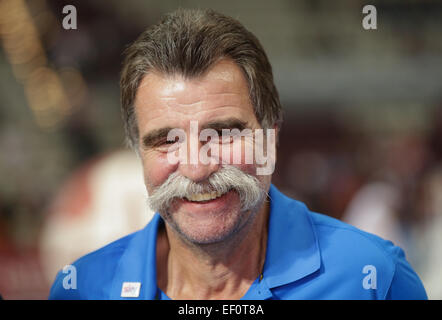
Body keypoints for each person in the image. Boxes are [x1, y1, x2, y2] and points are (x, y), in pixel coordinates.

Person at [49, 8, 427, 300]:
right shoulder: (83, 288)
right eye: (166, 140)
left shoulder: (373, 277)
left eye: (225, 133)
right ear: (137, 152)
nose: (197, 168)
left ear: (271, 138)